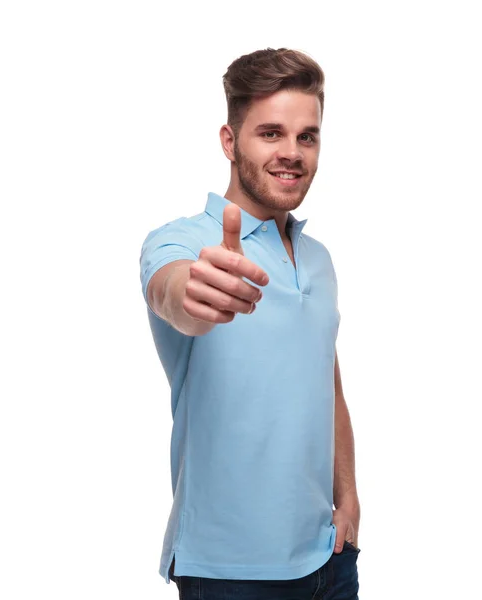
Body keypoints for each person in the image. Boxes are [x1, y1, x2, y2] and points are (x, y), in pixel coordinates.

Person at [139, 47, 361, 599]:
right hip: (229, 573)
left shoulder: (319, 259)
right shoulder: (183, 243)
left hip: (328, 557)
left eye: (306, 136)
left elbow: (324, 378)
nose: (292, 153)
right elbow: (173, 293)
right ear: (229, 141)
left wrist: (349, 496)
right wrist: (192, 291)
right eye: (270, 133)